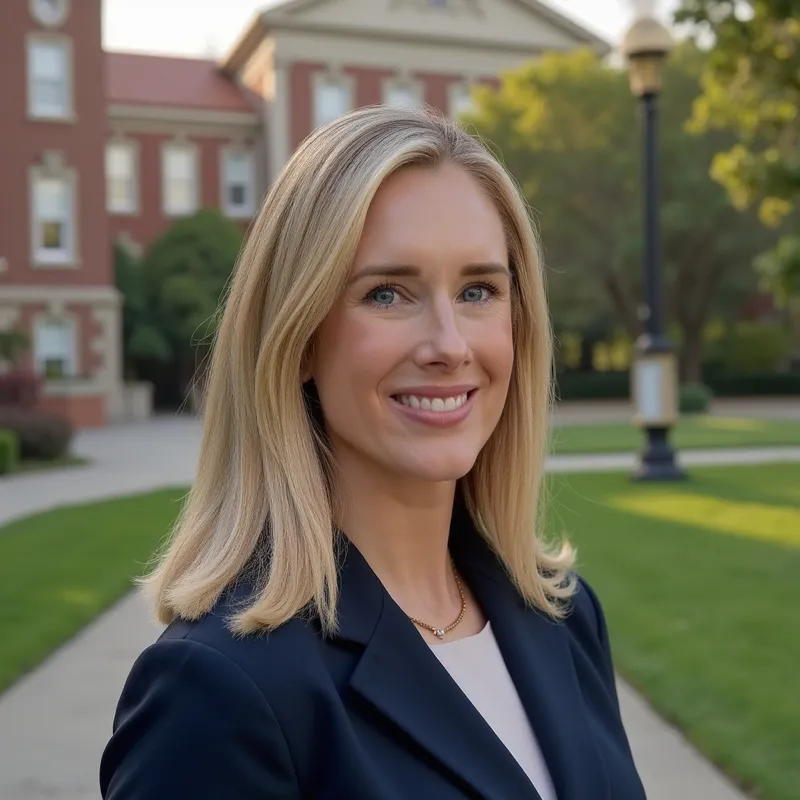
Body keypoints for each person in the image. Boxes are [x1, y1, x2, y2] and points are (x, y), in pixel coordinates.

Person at [100, 106, 645, 800]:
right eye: (387, 293)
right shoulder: (216, 690)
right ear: (298, 338)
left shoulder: (564, 617)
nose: (449, 344)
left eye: (478, 290)